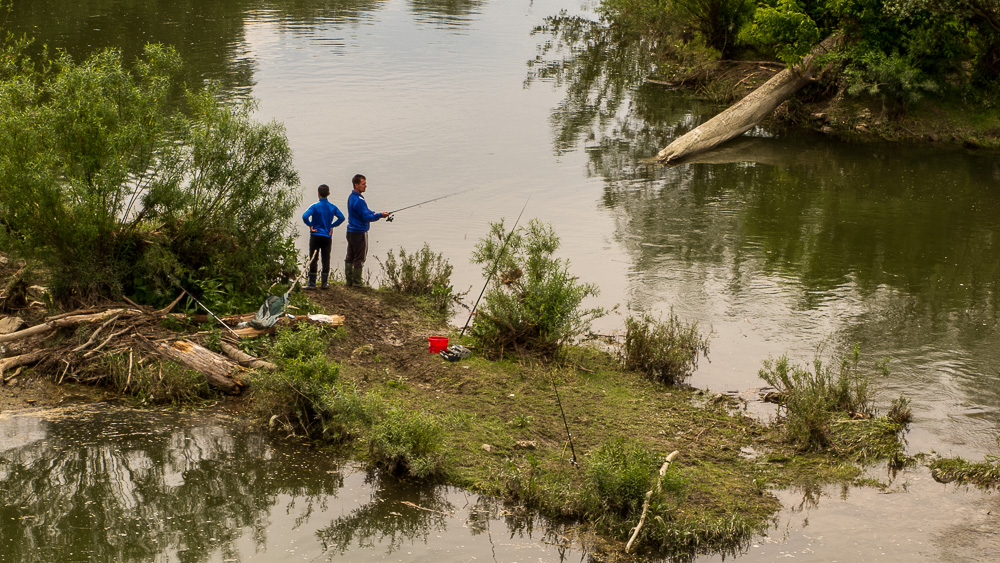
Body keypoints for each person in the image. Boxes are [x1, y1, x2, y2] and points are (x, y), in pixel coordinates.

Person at [344, 174, 389, 288]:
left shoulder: (352, 197)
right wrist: (379, 216)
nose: (365, 186)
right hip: (359, 233)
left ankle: (349, 281)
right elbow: (365, 217)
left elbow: (365, 211)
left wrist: (374, 213)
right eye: (363, 184)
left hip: (350, 232)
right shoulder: (359, 200)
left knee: (350, 256)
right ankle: (357, 283)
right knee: (359, 258)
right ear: (356, 185)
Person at [301, 184, 345, 289]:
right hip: (326, 236)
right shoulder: (332, 207)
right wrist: (332, 226)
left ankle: (312, 283)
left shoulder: (315, 206)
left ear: (318, 194)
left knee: (313, 258)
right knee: (325, 259)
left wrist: (310, 225)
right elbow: (342, 218)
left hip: (315, 236)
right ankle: (324, 283)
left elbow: (304, 216)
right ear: (328, 194)